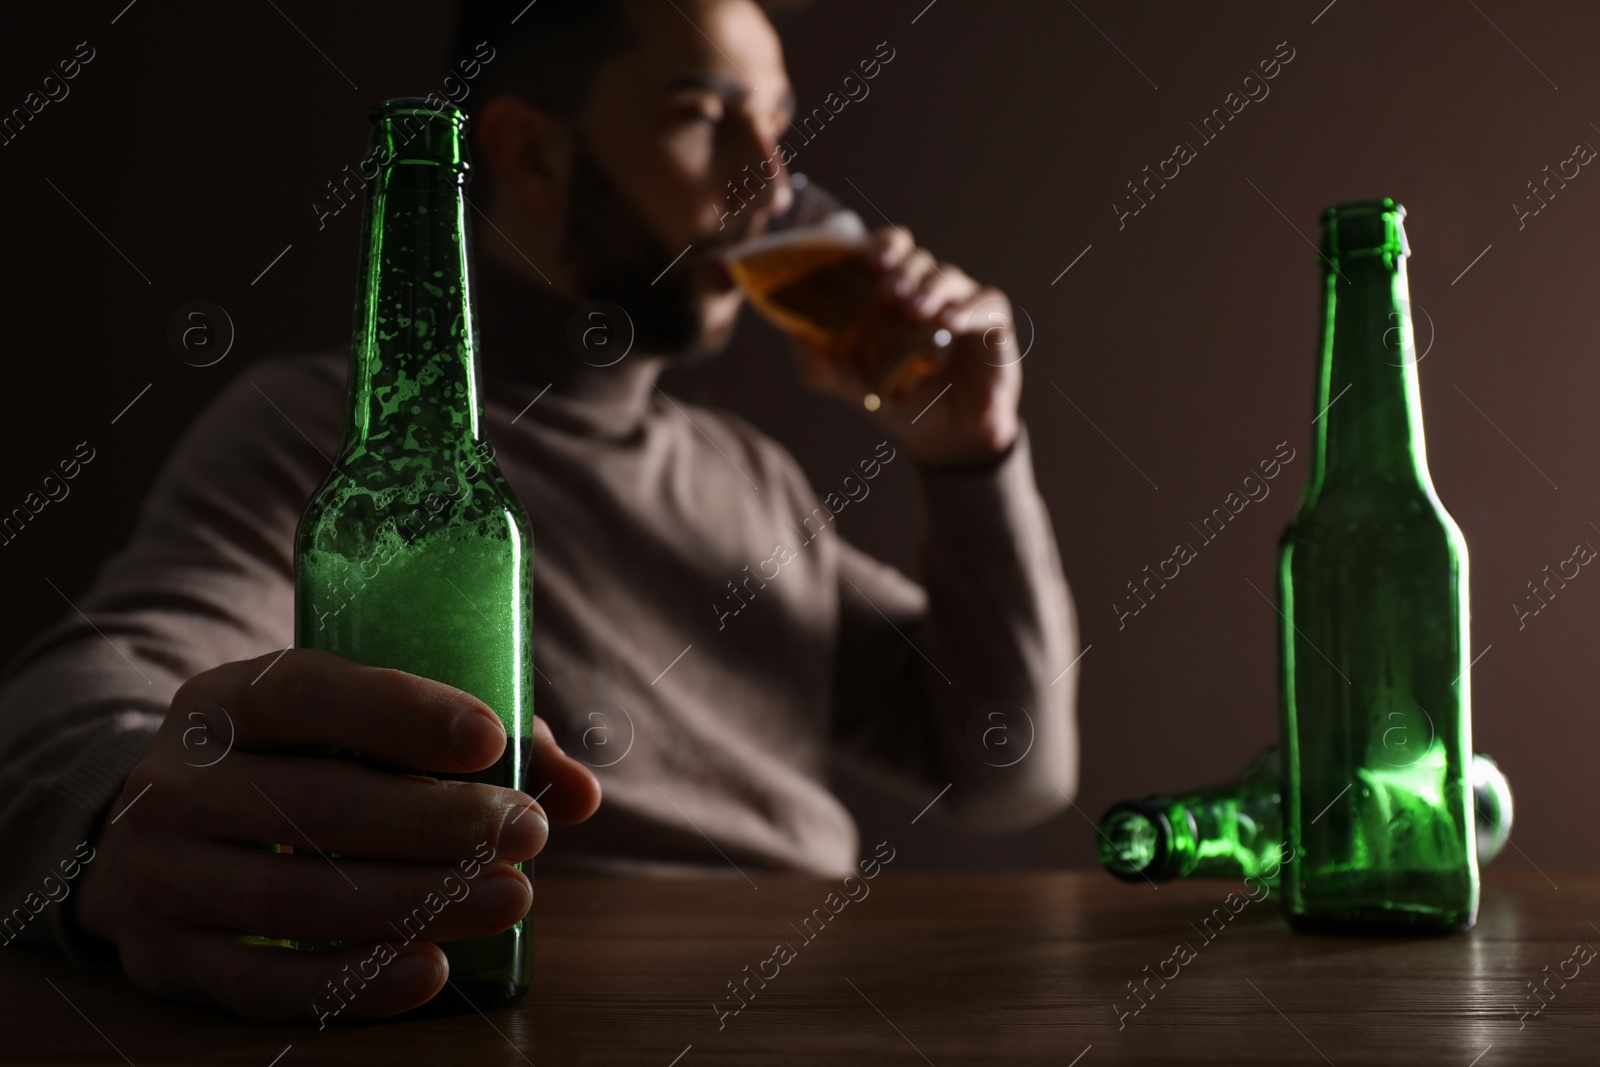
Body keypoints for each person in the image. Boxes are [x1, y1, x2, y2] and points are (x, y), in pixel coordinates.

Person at [0, 0, 1079, 1022]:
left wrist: (970, 458)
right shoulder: (337, 439)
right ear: (524, 156)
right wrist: (112, 831)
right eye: (704, 118)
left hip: (823, 999)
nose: (767, 183)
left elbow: (1008, 765)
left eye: (777, 125)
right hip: (544, 991)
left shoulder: (747, 471)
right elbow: (80, 701)